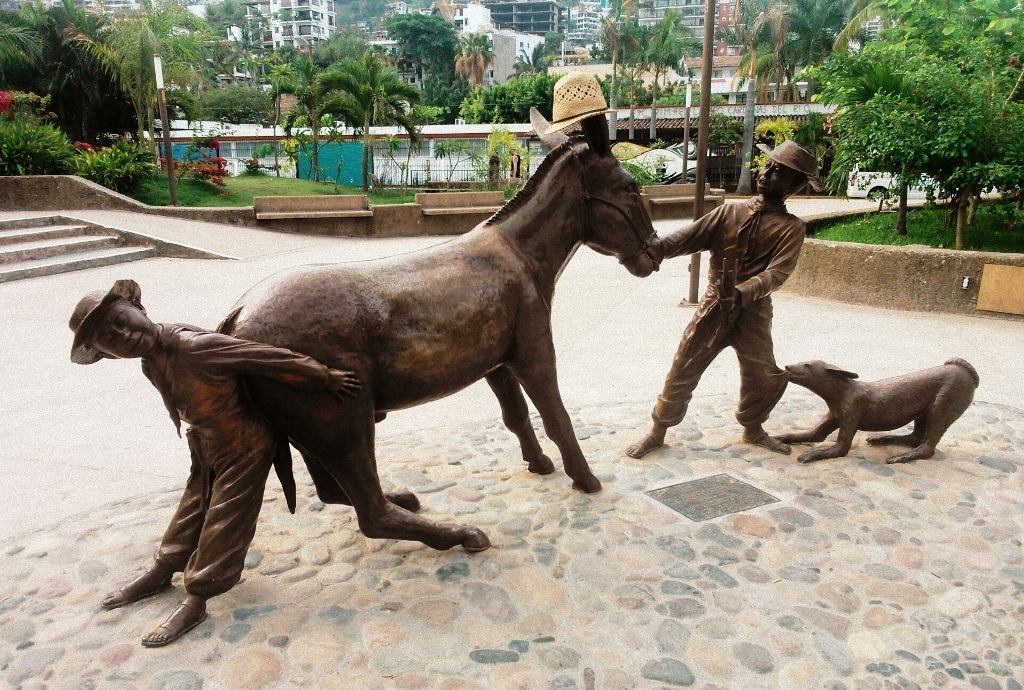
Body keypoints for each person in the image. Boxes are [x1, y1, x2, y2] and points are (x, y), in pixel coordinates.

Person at [69, 279, 361, 647]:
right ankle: (162, 569)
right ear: (108, 355)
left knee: (226, 517)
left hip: (244, 443)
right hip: (207, 444)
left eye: (122, 320)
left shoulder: (194, 346)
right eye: (110, 339)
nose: (123, 334)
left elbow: (265, 356)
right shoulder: (150, 362)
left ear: (140, 310)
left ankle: (198, 596)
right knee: (192, 508)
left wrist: (323, 376)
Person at [626, 140, 823, 459]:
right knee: (684, 366)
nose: (768, 172)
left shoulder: (791, 228)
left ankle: (754, 427)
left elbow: (777, 273)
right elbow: (687, 237)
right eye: (769, 165)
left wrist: (743, 292)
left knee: (763, 374)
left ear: (796, 185)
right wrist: (652, 249)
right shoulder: (730, 211)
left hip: (753, 314)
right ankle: (657, 430)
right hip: (713, 309)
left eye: (780, 172)